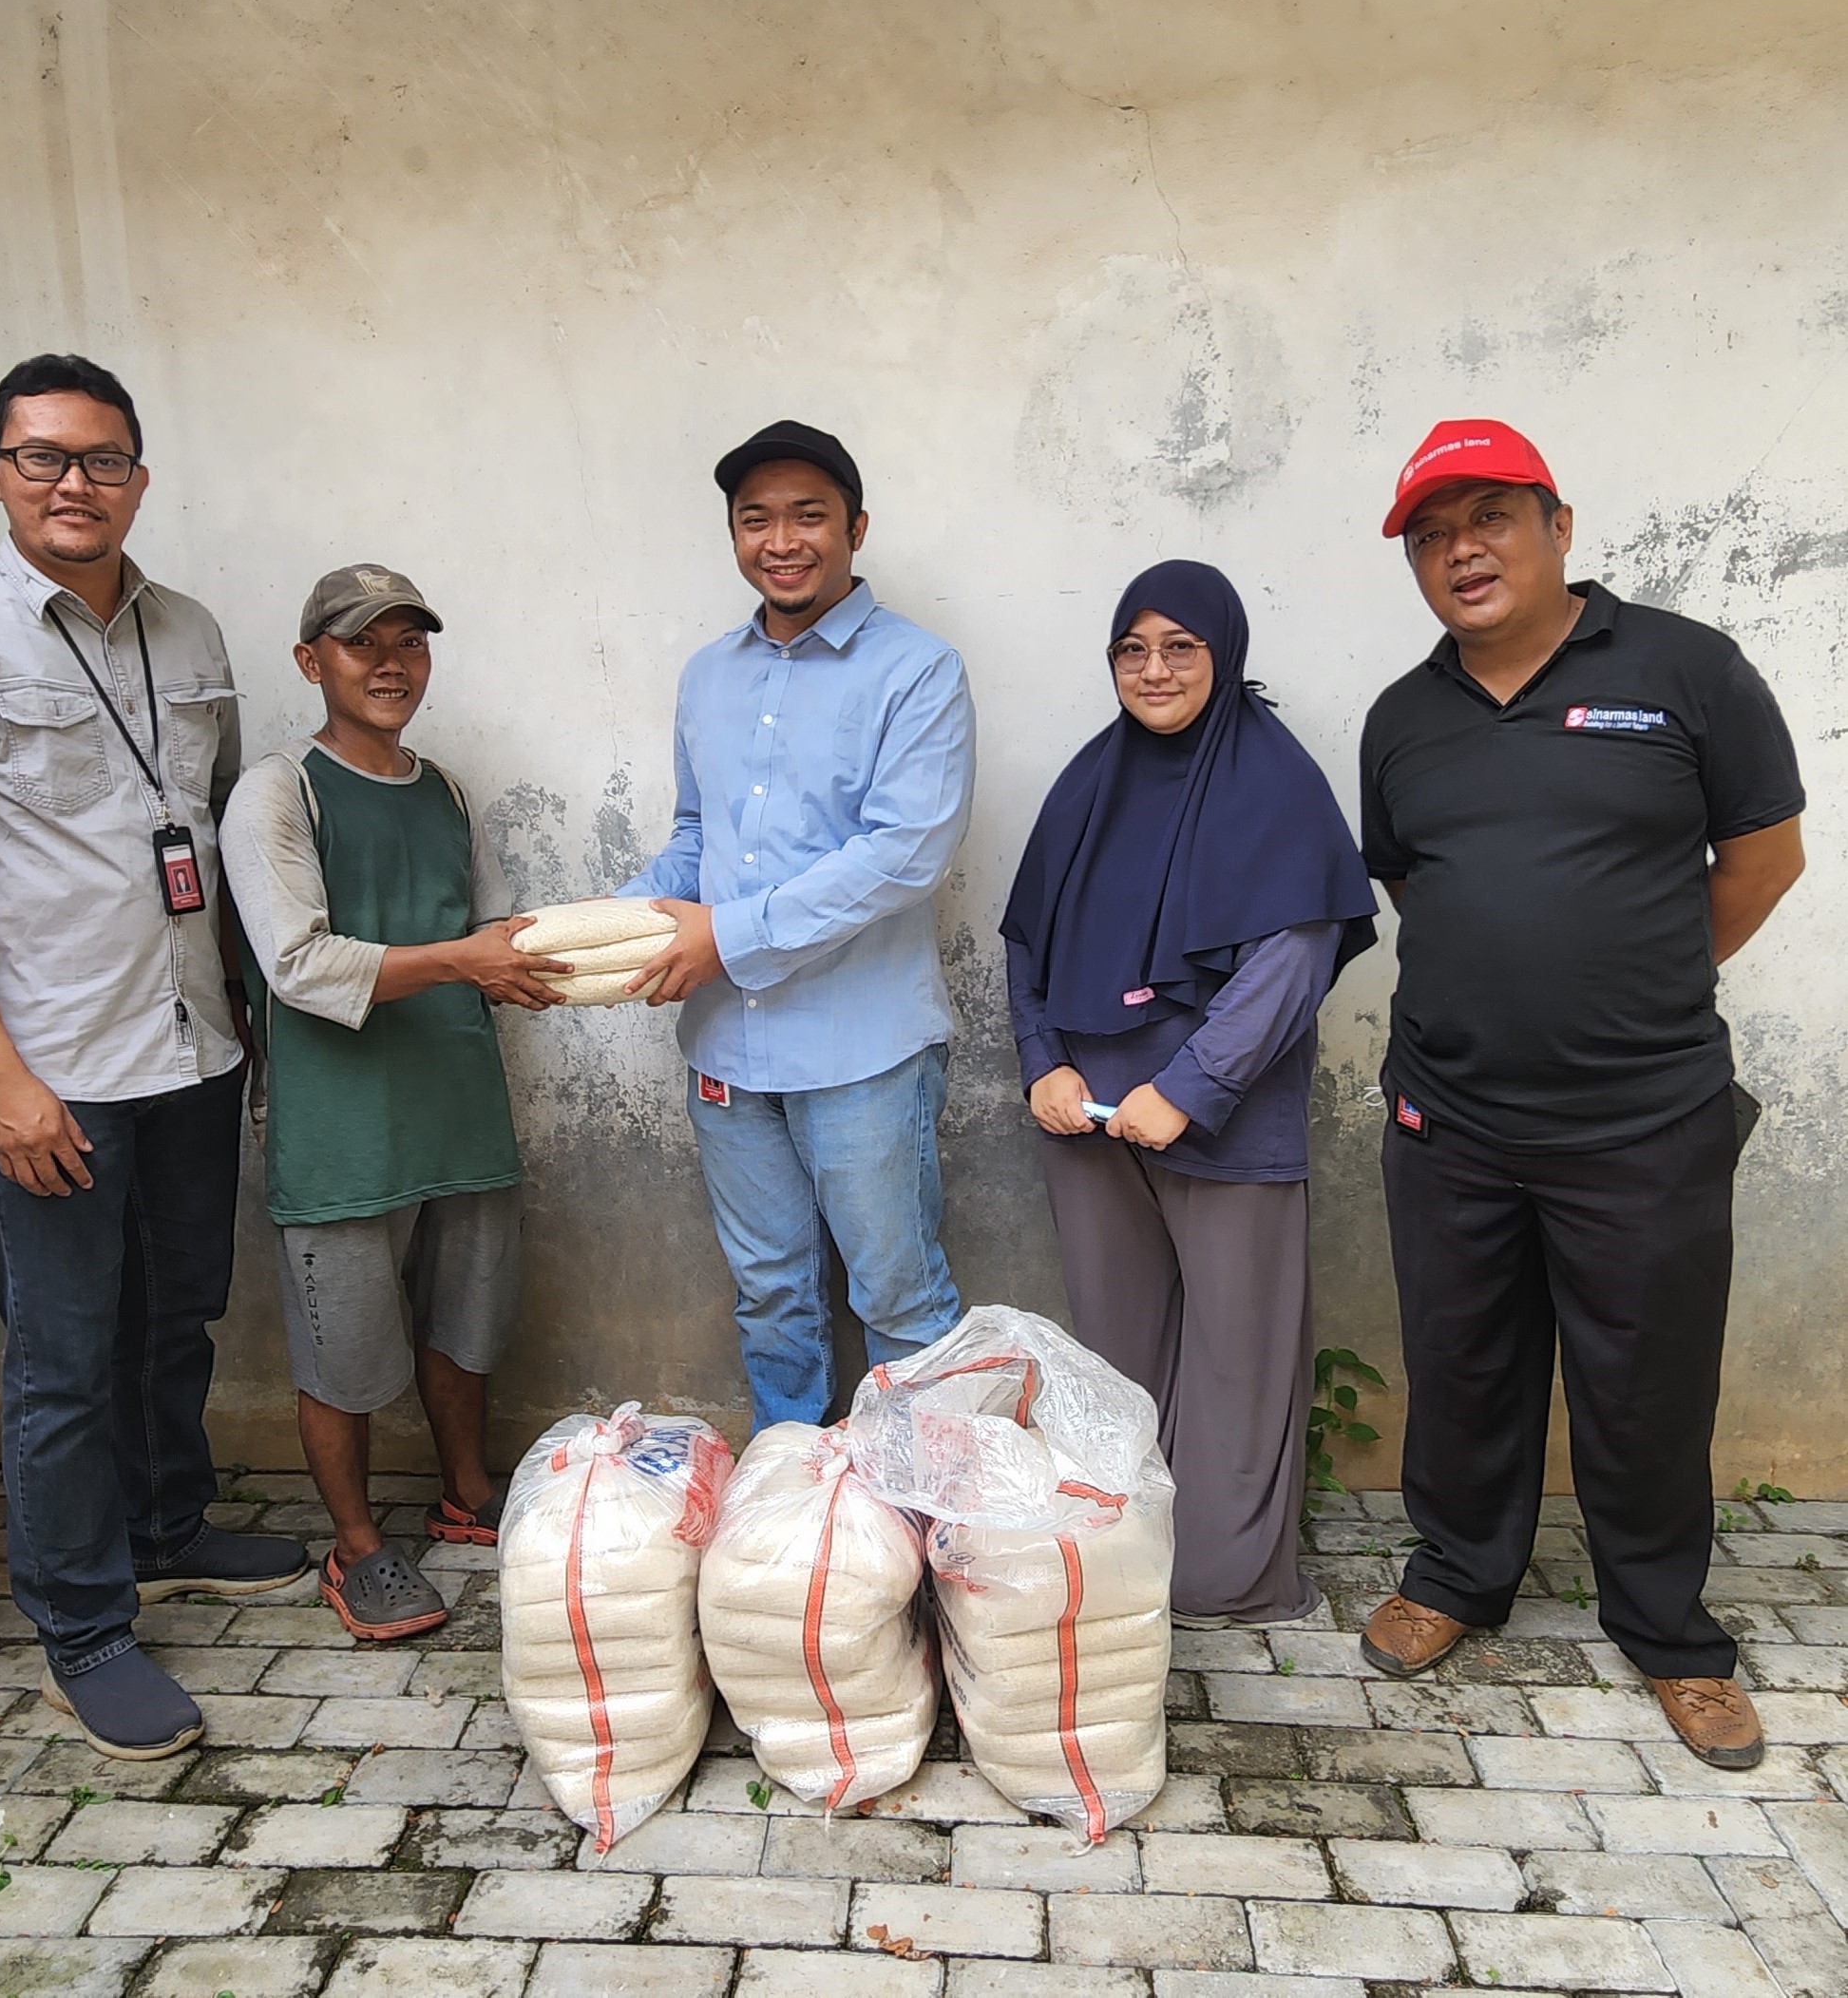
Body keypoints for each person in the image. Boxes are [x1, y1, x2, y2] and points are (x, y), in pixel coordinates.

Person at [0, 352, 307, 1761]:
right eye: (41, 457)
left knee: (176, 1319)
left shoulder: (189, 631)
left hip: (190, 1050)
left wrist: (249, 1020)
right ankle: (81, 1624)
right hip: (49, 1069)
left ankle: (165, 1528)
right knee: (62, 1358)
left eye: (100, 459)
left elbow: (214, 833)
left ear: (138, 478)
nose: (72, 482)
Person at [1357, 418, 1805, 1769]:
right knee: (1463, 1364)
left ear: (1555, 526)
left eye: (1486, 518)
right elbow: (1414, 887)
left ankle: (1667, 1631)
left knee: (1644, 1384)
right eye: (1430, 536)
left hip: (1641, 1119)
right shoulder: (1401, 718)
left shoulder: (1684, 671)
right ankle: (1457, 1576)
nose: (1459, 552)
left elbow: (1761, 862)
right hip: (1450, 1117)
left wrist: (1633, 986)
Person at [1001, 561, 1377, 1627]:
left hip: (1219, 1114)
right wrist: (1042, 1062)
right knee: (1119, 1345)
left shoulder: (1276, 782)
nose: (1153, 668)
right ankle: (1128, 1557)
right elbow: (1028, 938)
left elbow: (1294, 957)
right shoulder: (1087, 782)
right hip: (1085, 1116)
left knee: (1238, 1354)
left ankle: (1225, 1577)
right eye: (1132, 648)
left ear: (1225, 652)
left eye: (1180, 647)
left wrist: (1190, 1083)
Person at [219, 566, 567, 1641]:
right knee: (345, 1349)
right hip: (342, 1120)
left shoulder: (446, 790)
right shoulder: (282, 791)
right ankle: (358, 1547)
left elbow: (471, 943)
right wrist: (466, 958)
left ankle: (466, 1492)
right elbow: (295, 962)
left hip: (456, 1102)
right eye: (362, 641)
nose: (390, 661)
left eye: (411, 641)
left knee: (468, 1326)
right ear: (309, 658)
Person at [617, 421, 977, 1427]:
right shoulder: (708, 675)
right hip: (730, 1052)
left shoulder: (919, 671)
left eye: (808, 515)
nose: (782, 538)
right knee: (773, 1298)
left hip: (862, 1049)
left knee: (897, 1300)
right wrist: (592, 929)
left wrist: (722, 939)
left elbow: (904, 852)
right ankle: (797, 1513)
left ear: (855, 528)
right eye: (756, 518)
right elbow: (699, 836)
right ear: (734, 534)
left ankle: (929, 1528)